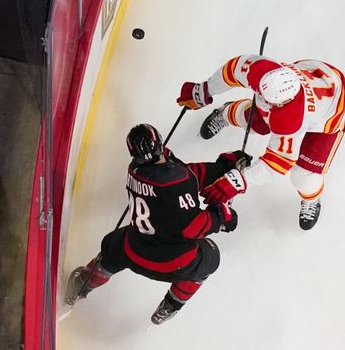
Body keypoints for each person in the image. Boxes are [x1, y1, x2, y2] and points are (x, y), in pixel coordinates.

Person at [64, 124, 248, 325]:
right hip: (169, 264)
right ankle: (172, 304)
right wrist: (223, 217)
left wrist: (221, 168)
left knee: (114, 245)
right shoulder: (176, 179)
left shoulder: (135, 169)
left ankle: (82, 283)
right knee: (210, 257)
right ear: (160, 144)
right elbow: (192, 226)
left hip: (133, 249)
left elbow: (184, 173)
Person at [177, 54, 345, 230]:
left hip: (331, 111)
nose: (263, 101)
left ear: (282, 103)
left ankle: (311, 199)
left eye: (269, 103)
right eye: (261, 95)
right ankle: (225, 113)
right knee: (255, 121)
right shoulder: (262, 70)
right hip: (316, 75)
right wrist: (204, 90)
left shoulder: (290, 120)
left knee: (303, 176)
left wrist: (238, 180)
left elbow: (278, 162)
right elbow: (232, 71)